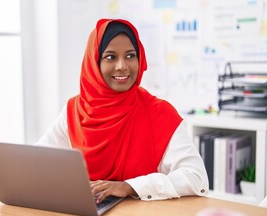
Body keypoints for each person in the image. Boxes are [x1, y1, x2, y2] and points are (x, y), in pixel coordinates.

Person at [37, 18, 209, 204]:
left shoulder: (160, 113)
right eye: (110, 57)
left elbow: (196, 177)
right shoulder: (75, 111)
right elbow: (37, 159)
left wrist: (129, 186)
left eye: (130, 56)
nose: (122, 66)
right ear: (94, 62)